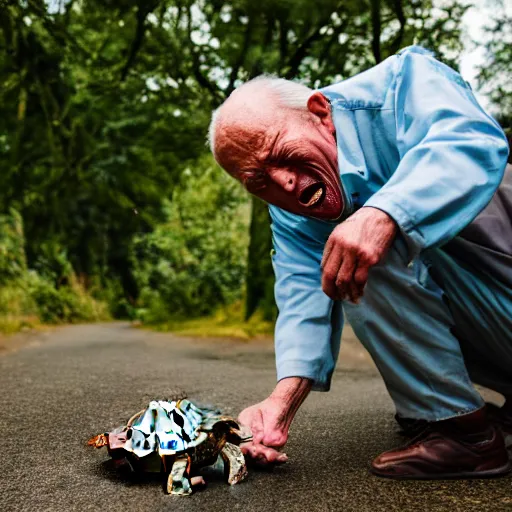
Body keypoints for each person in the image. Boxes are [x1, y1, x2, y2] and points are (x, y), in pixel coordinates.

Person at [208, 45, 512, 479]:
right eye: (258, 181)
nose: (283, 182)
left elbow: (470, 142)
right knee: (346, 252)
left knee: (367, 242)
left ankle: (468, 437)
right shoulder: (291, 209)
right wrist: (280, 405)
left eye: (278, 153)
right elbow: (302, 296)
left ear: (320, 112)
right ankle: (450, 413)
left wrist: (384, 213)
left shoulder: (406, 81)